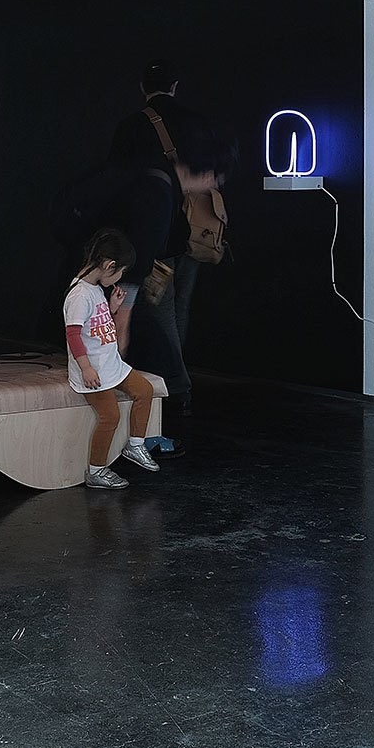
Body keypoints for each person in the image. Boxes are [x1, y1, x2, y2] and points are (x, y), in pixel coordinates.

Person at [98, 115, 237, 439]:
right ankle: (169, 401)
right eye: (215, 180)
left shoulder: (155, 174)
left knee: (160, 328)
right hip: (147, 268)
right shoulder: (160, 191)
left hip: (147, 265)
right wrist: (123, 317)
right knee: (160, 327)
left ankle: (168, 399)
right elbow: (137, 261)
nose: (214, 188)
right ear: (206, 173)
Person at [109, 60, 212, 415]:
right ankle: (176, 378)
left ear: (143, 87)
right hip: (196, 232)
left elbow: (118, 182)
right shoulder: (197, 123)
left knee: (161, 310)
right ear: (175, 85)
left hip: (158, 235)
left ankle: (176, 385)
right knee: (180, 308)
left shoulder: (132, 127)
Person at [64, 227, 160, 490]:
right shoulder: (80, 294)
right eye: (121, 272)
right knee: (110, 416)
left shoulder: (94, 288)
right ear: (109, 265)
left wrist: (112, 308)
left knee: (145, 390)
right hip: (93, 371)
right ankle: (96, 471)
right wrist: (85, 368)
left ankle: (135, 446)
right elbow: (73, 334)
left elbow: (92, 323)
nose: (121, 277)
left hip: (111, 364)